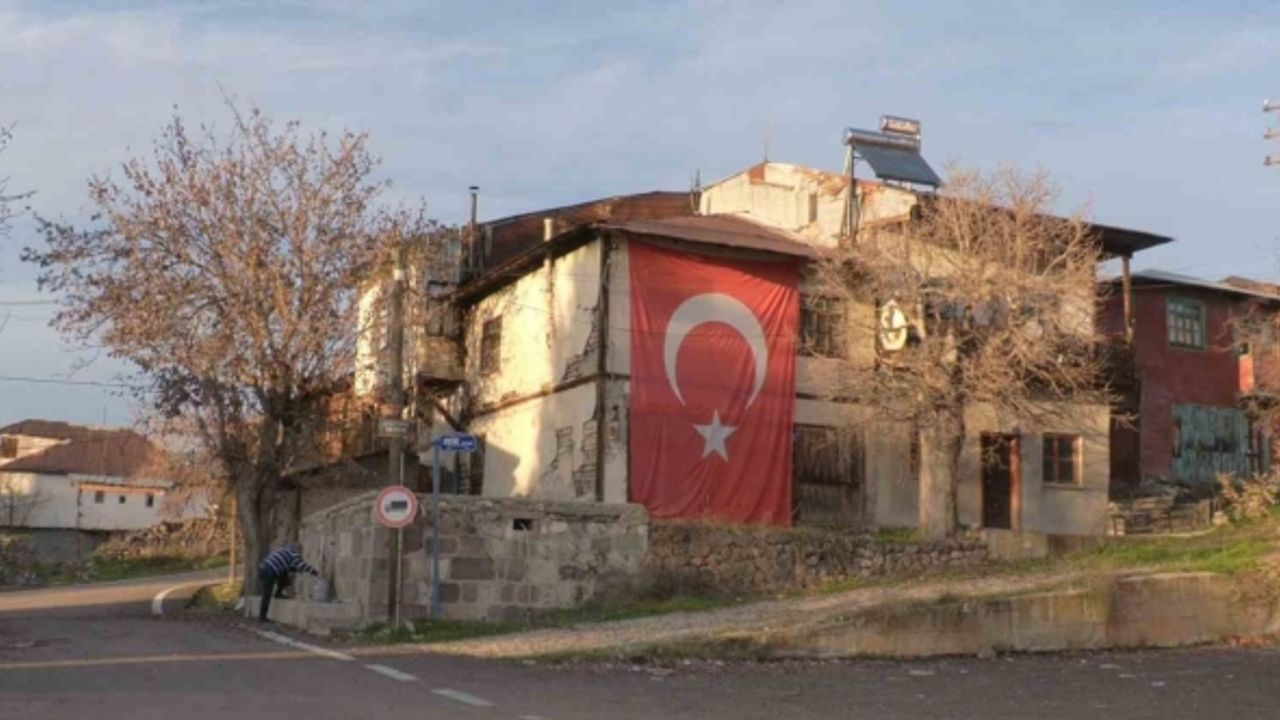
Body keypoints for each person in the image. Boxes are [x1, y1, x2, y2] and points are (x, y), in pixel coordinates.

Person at [257, 543, 319, 622]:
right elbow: (301, 565)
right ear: (298, 550)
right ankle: (262, 617)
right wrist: (314, 572)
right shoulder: (294, 554)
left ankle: (278, 594)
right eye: (301, 552)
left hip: (263, 567)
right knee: (267, 594)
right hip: (270, 570)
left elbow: (290, 567)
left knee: (284, 574)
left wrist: (294, 571)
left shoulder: (285, 550)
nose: (301, 555)